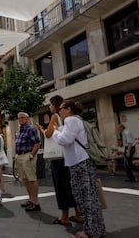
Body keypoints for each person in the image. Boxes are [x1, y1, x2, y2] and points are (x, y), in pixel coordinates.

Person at [52, 100, 106, 238]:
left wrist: (54, 132)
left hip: (79, 163)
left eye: (62, 108)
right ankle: (97, 230)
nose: (60, 111)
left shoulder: (71, 120)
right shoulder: (78, 120)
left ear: (69, 109)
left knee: (84, 198)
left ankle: (90, 232)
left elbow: (65, 140)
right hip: (83, 162)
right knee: (90, 197)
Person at [37, 95, 82, 226]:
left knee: (61, 185)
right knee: (70, 185)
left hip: (58, 157)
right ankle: (78, 213)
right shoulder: (68, 118)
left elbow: (49, 134)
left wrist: (41, 129)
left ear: (55, 105)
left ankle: (64, 216)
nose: (49, 107)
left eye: (50, 105)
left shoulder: (55, 116)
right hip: (69, 156)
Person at [15, 112, 42, 212]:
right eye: (19, 118)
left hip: (27, 155)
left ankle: (35, 202)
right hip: (20, 155)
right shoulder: (21, 130)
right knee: (25, 179)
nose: (20, 119)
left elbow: (38, 142)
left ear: (27, 118)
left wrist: (31, 155)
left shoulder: (30, 128)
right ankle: (31, 200)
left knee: (31, 178)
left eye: (22, 117)